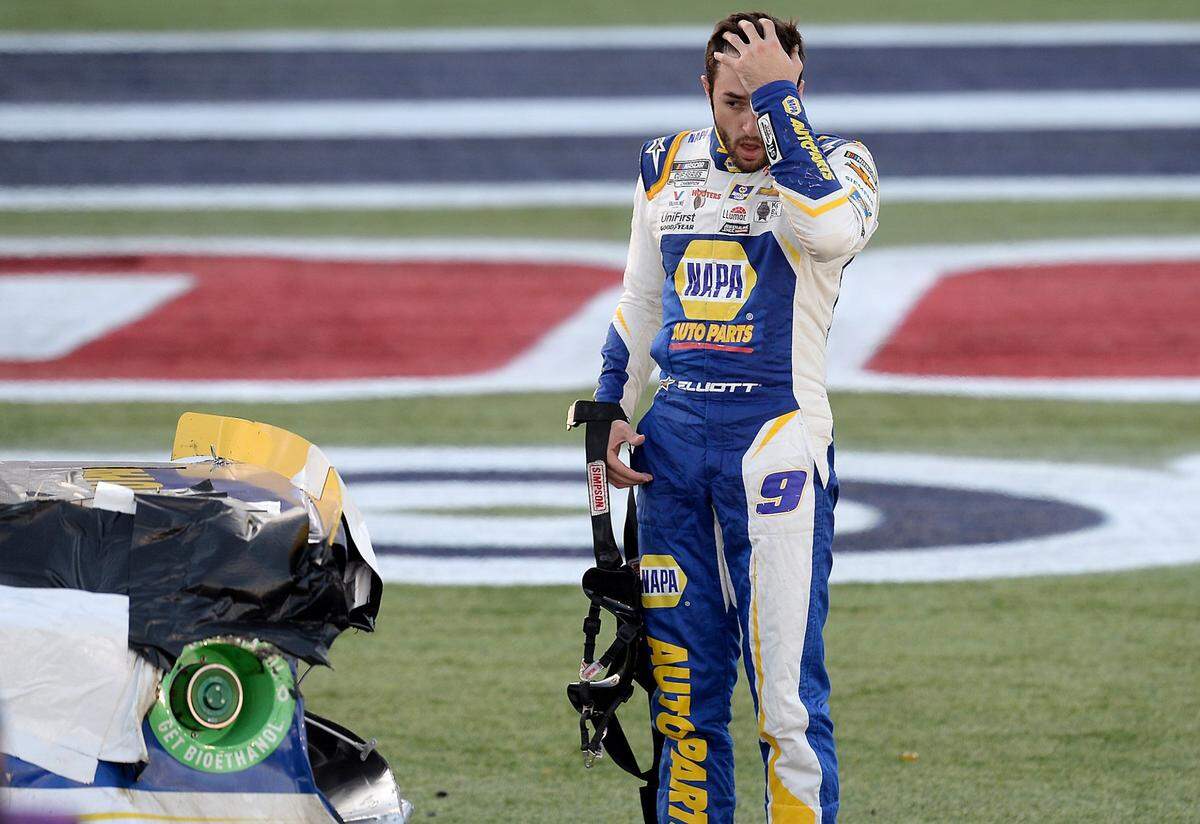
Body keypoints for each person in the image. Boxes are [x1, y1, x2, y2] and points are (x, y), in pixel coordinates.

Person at [592, 10, 879, 823]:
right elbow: (641, 299)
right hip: (673, 454)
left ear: (796, 90)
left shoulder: (843, 167)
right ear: (704, 93)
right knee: (682, 704)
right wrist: (611, 403)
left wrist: (781, 104)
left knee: (785, 706)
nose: (748, 124)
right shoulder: (664, 165)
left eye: (765, 100)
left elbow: (827, 231)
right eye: (732, 102)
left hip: (778, 450)